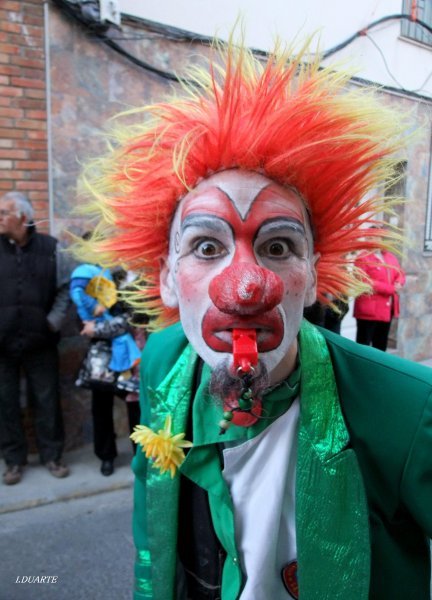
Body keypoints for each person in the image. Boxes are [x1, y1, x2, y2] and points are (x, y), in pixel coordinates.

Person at [77, 38, 432, 599]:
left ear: (313, 276)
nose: (246, 288)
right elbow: (152, 532)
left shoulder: (408, 408)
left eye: (277, 248)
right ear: (168, 275)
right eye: (206, 248)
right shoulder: (162, 361)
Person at [0, 191, 70, 485]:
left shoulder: (51, 248)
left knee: (46, 400)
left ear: (23, 218)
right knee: (5, 403)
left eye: (4, 213)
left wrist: (52, 322)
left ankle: (52, 456)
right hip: (2, 344)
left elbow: (66, 289)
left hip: (40, 341)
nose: (0, 218)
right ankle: (13, 461)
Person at [70, 263, 141, 475]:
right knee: (101, 405)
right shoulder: (86, 280)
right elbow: (83, 321)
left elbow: (131, 318)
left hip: (130, 353)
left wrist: (98, 328)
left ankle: (141, 454)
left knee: (134, 404)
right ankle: (106, 456)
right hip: (101, 354)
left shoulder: (129, 280)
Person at [354, 249, 406, 351]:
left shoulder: (390, 256)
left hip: (386, 310)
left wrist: (399, 282)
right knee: (363, 347)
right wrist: (391, 289)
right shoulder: (363, 257)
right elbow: (364, 281)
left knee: (381, 346)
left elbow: (400, 273)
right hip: (369, 311)